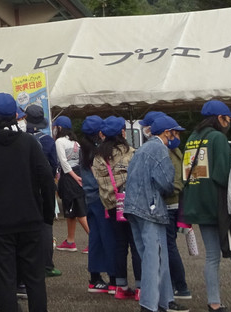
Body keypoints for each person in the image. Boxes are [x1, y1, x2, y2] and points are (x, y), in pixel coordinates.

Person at [0, 92, 54, 312]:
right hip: (31, 220)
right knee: (35, 279)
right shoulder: (29, 142)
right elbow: (46, 179)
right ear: (17, 115)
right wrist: (46, 215)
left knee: (5, 279)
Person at [182, 100, 231, 312]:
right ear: (219, 118)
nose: (228, 123)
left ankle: (214, 303)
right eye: (227, 119)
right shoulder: (217, 138)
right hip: (220, 205)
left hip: (198, 205)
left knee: (212, 256)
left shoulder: (191, 139)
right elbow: (223, 175)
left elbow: (188, 173)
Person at [124, 113, 188, 312]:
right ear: (167, 132)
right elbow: (165, 182)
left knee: (147, 256)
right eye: (175, 133)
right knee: (155, 259)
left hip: (133, 207)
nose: (176, 137)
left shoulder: (142, 148)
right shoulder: (160, 150)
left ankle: (161, 301)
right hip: (150, 208)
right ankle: (150, 305)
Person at [92, 115, 139, 300]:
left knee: (119, 245)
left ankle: (120, 286)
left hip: (112, 204)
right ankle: (141, 287)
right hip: (132, 203)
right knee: (136, 245)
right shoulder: (131, 152)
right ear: (122, 132)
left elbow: (98, 181)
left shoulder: (98, 158)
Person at [23, 104, 61, 278]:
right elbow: (54, 165)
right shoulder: (47, 141)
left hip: (25, 188)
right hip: (45, 187)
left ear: (26, 119)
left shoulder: (21, 139)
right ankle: (47, 265)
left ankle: (29, 262)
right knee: (46, 224)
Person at [80, 115, 116, 294]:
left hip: (89, 197)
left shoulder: (84, 148)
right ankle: (114, 278)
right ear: (99, 132)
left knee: (95, 237)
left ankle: (95, 278)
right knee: (108, 237)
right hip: (101, 197)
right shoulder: (99, 150)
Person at [53, 115, 89, 253]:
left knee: (79, 210)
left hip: (70, 178)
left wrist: (74, 177)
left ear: (59, 128)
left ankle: (94, 240)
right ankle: (70, 240)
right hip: (78, 174)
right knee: (71, 211)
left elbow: (63, 162)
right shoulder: (76, 142)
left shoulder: (59, 142)